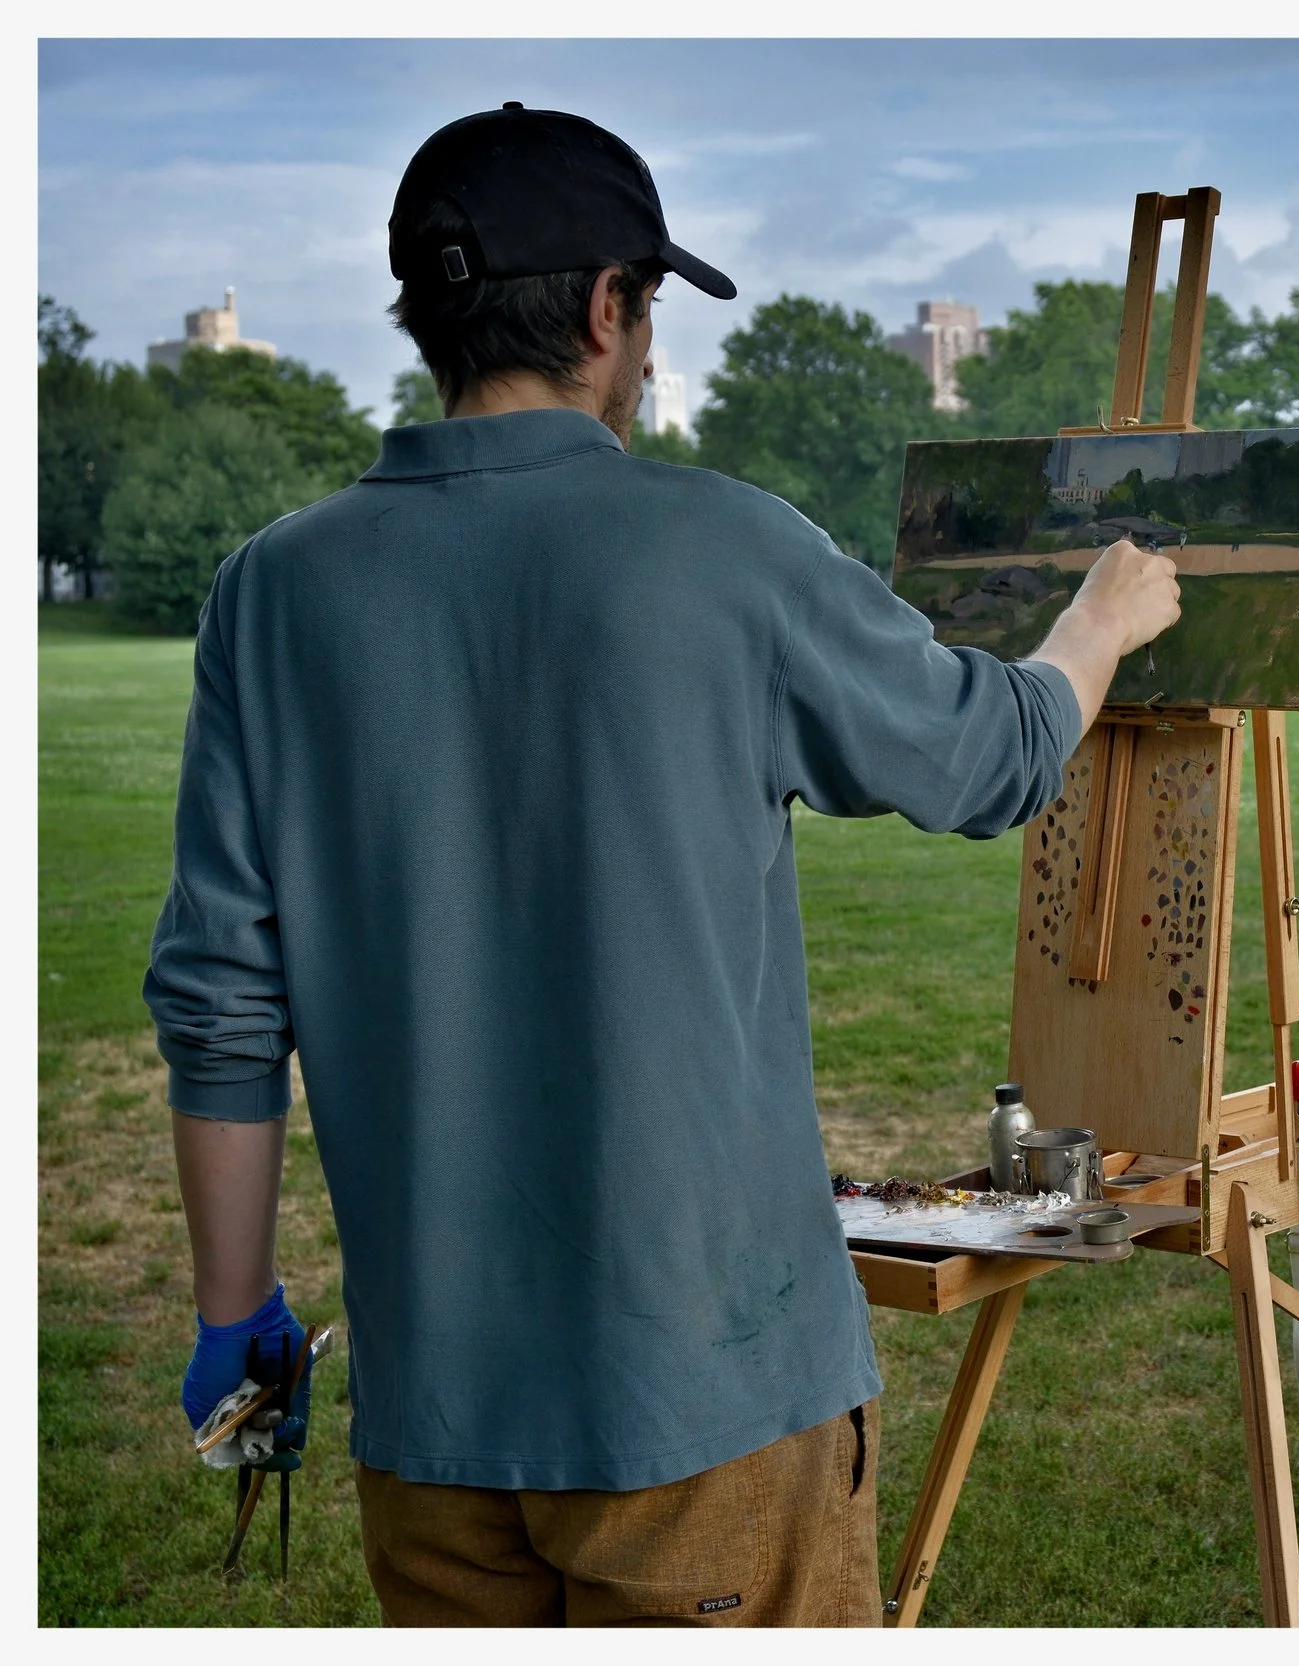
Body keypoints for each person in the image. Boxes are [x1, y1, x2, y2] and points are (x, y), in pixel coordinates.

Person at [145, 104, 1181, 1628]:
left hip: (430, 1429)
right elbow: (989, 758)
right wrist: (1097, 622)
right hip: (709, 1412)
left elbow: (224, 1005)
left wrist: (234, 1316)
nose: (646, 357)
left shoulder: (270, 594)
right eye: (646, 315)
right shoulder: (725, 546)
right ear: (602, 309)